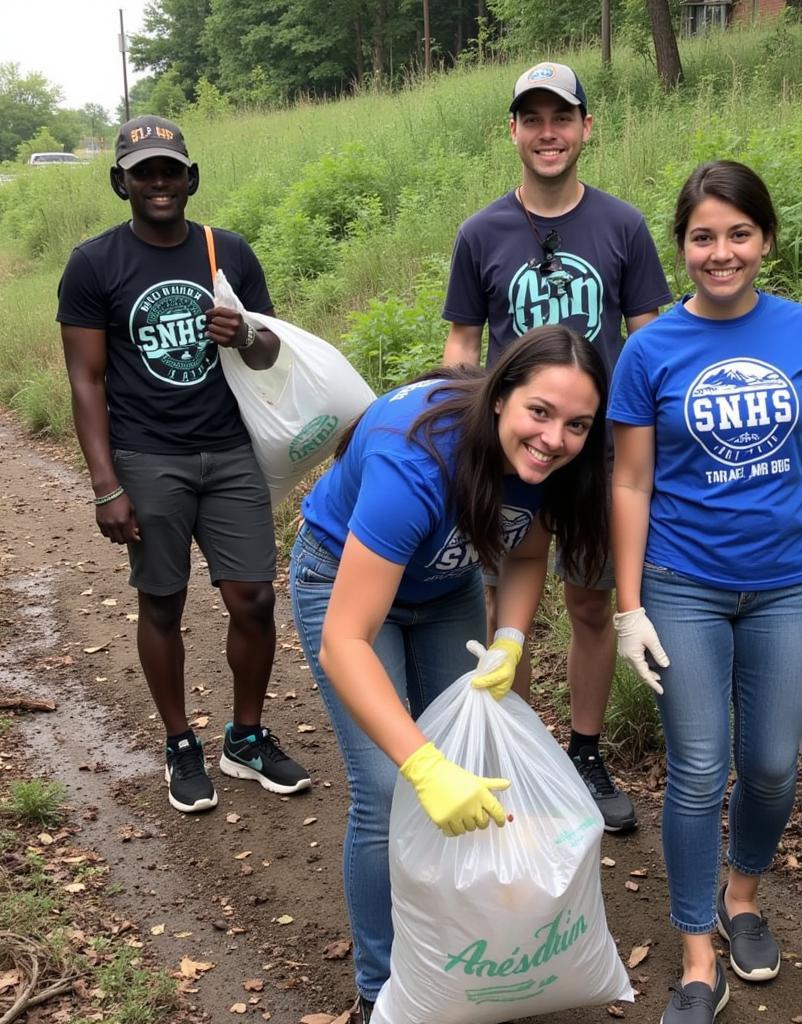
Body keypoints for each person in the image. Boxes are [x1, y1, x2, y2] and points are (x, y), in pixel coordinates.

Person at [608, 160, 802, 1024]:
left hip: (788, 583)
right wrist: (629, 607)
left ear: (764, 239)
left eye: (738, 234)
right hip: (684, 583)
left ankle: (742, 897)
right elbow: (629, 482)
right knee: (698, 770)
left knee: (769, 766)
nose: (720, 252)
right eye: (703, 237)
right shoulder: (648, 350)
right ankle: (698, 952)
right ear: (682, 246)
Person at [289, 326, 609, 1022]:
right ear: (500, 398)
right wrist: (425, 768)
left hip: (445, 586)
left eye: (577, 425)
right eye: (540, 412)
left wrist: (513, 638)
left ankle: (467, 947)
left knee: (475, 762)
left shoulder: (547, 468)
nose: (555, 439)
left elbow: (523, 557)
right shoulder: (416, 462)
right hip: (340, 582)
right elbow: (347, 640)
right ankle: (381, 991)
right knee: (387, 787)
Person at [442, 61, 673, 833]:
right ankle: (517, 755)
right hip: (513, 454)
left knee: (587, 602)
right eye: (531, 119)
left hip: (596, 456)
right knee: (505, 610)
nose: (548, 132)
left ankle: (582, 751)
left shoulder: (622, 226)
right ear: (512, 130)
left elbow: (650, 342)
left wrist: (654, 444)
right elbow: (461, 348)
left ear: (585, 128)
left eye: (561, 117)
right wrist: (462, 439)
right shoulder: (482, 232)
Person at [57, 115, 311, 815]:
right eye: (145, 172)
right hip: (145, 455)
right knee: (162, 601)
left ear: (191, 178)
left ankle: (247, 737)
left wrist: (248, 331)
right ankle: (179, 744)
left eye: (171, 170)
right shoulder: (94, 264)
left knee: (254, 599)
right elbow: (85, 380)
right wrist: (106, 485)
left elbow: (268, 356)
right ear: (122, 183)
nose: (159, 183)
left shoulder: (225, 253)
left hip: (229, 450)